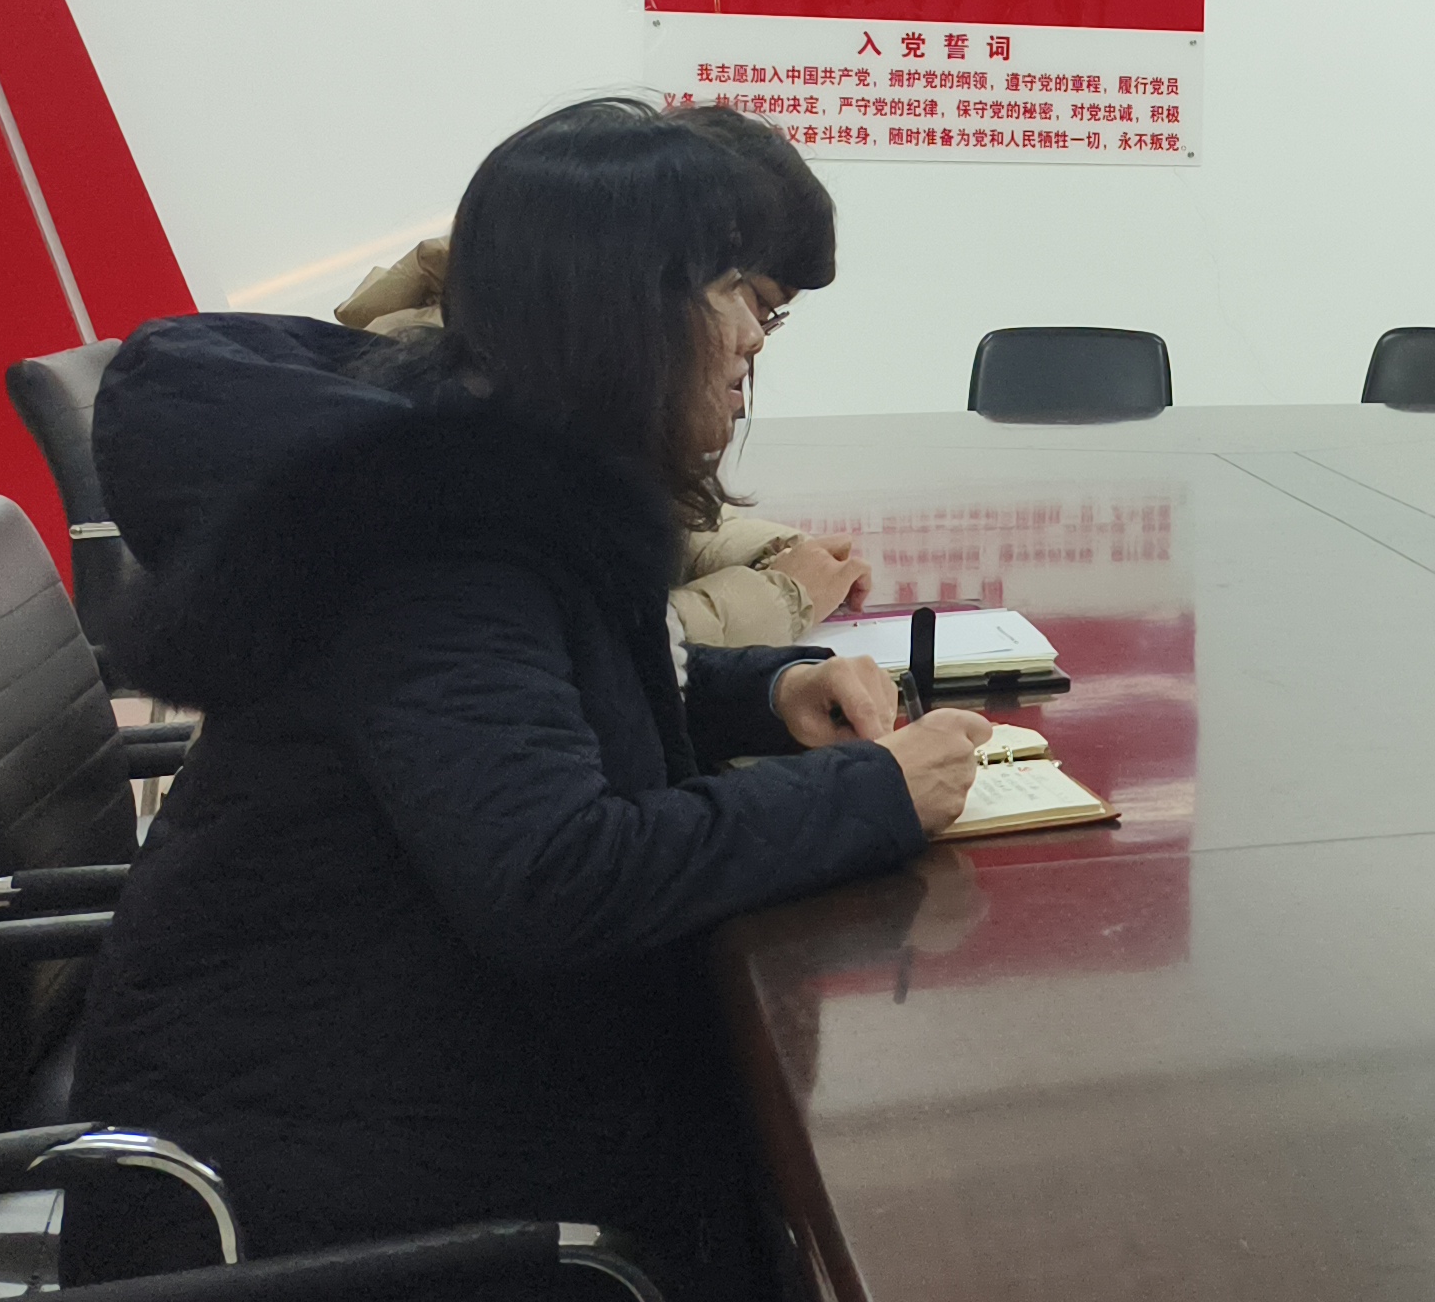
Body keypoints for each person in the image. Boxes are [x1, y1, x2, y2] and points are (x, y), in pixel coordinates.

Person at [65, 100, 991, 1300]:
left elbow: (553, 690)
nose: (754, 347)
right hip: (331, 1178)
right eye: (744, 301)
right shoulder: (437, 546)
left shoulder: (481, 478)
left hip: (395, 1080)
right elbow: (555, 875)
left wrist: (774, 691)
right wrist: (872, 793)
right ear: (627, 307)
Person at [334, 103, 871, 643]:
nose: (754, 337)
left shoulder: (524, 390)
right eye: (738, 291)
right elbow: (587, 640)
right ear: (626, 283)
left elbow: (641, 520)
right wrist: (783, 596)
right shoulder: (455, 449)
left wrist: (773, 552)